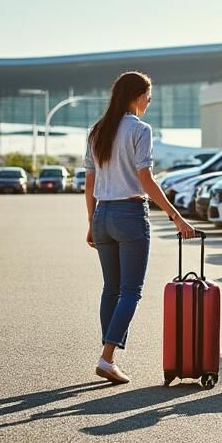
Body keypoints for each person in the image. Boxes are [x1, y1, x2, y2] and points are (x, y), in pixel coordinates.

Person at [83, 71, 196, 385]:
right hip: (129, 213)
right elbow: (146, 180)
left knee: (111, 289)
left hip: (103, 213)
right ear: (136, 96)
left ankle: (109, 356)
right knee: (130, 292)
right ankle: (107, 358)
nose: (149, 101)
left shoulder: (97, 131)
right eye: (148, 95)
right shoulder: (140, 130)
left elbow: (89, 182)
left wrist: (91, 221)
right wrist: (176, 216)